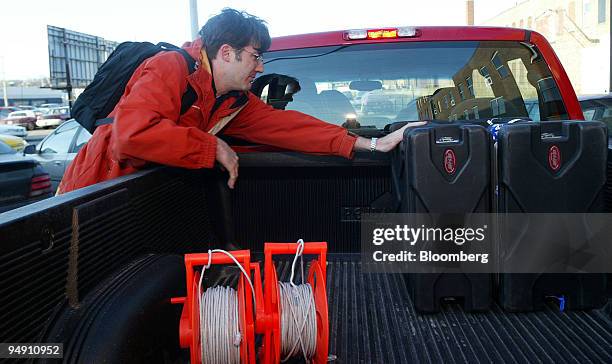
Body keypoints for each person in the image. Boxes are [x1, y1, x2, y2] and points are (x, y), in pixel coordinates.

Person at [58, 8, 425, 194]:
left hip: (149, 200)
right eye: (256, 56)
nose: (261, 66)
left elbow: (291, 127)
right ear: (228, 52)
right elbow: (131, 136)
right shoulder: (170, 67)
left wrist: (372, 142)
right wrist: (211, 146)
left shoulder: (231, 101)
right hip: (95, 195)